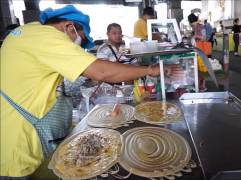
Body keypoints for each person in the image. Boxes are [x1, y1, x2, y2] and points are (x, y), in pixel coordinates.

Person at [0, 5, 180, 178]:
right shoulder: (46, 37)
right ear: (69, 27)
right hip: (20, 144)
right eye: (80, 41)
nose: (77, 48)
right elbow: (100, 71)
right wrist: (149, 70)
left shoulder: (30, 32)